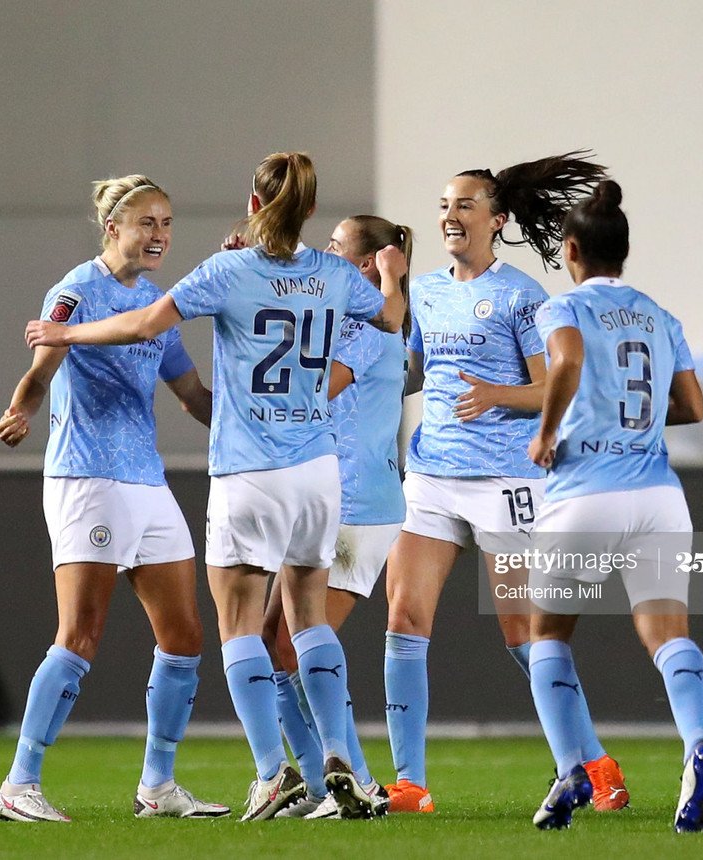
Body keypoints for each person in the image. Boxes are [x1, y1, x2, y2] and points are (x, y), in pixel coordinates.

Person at [25, 152, 407, 821]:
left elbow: (145, 324)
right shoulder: (332, 275)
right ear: (310, 211)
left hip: (250, 470)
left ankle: (270, 772)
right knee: (309, 618)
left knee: (239, 629)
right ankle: (339, 752)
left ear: (254, 205)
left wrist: (67, 332)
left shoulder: (228, 270)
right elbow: (391, 319)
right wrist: (394, 277)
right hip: (318, 470)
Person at [382, 153, 629, 815]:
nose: (450, 216)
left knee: (525, 636)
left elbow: (553, 385)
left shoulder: (523, 296)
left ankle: (594, 762)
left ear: (497, 220)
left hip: (507, 483)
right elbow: (414, 374)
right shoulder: (426, 292)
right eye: (443, 205)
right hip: (432, 476)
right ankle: (410, 783)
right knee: (403, 618)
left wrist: (497, 393)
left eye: (465, 205)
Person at [0, 176, 227, 823]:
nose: (159, 235)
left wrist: (260, 422)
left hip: (146, 481)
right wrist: (19, 411)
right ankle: (20, 783)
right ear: (112, 229)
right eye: (147, 222)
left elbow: (192, 396)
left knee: (184, 636)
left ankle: (157, 785)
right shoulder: (76, 292)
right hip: (86, 477)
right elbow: (43, 366)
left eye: (167, 223)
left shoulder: (157, 304)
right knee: (81, 634)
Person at [525, 179, 703, 832]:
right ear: (623, 251)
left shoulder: (562, 308)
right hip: (659, 497)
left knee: (546, 633)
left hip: (587, 492)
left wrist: (548, 431)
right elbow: (692, 407)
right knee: (668, 636)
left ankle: (570, 771)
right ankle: (696, 747)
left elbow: (570, 360)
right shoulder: (662, 317)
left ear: (571, 249)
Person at [259, 216, 412, 819]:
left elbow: (317, 388)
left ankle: (359, 783)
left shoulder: (367, 326)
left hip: (358, 507)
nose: (324, 250)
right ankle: (326, 787)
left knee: (298, 647)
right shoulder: (358, 317)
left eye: (336, 244)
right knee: (276, 648)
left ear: (370, 261)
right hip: (330, 502)